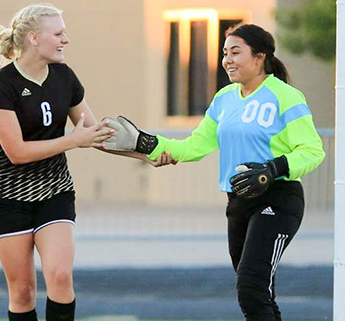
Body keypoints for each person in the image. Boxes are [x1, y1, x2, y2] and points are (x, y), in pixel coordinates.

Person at [103, 24, 326, 321]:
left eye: (236, 52)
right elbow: (194, 146)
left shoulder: (287, 96)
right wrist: (147, 143)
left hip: (278, 199)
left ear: (259, 57)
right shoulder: (224, 99)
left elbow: (312, 150)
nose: (227, 60)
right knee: (256, 293)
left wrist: (272, 170)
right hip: (238, 202)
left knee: (251, 287)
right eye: (224, 53)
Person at [0, 4, 167, 320]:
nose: (66, 39)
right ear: (34, 38)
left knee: (60, 276)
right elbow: (17, 152)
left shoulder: (64, 77)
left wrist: (145, 155)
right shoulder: (1, 85)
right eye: (59, 33)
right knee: (23, 292)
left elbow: (94, 134)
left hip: (54, 191)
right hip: (6, 197)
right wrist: (72, 141)